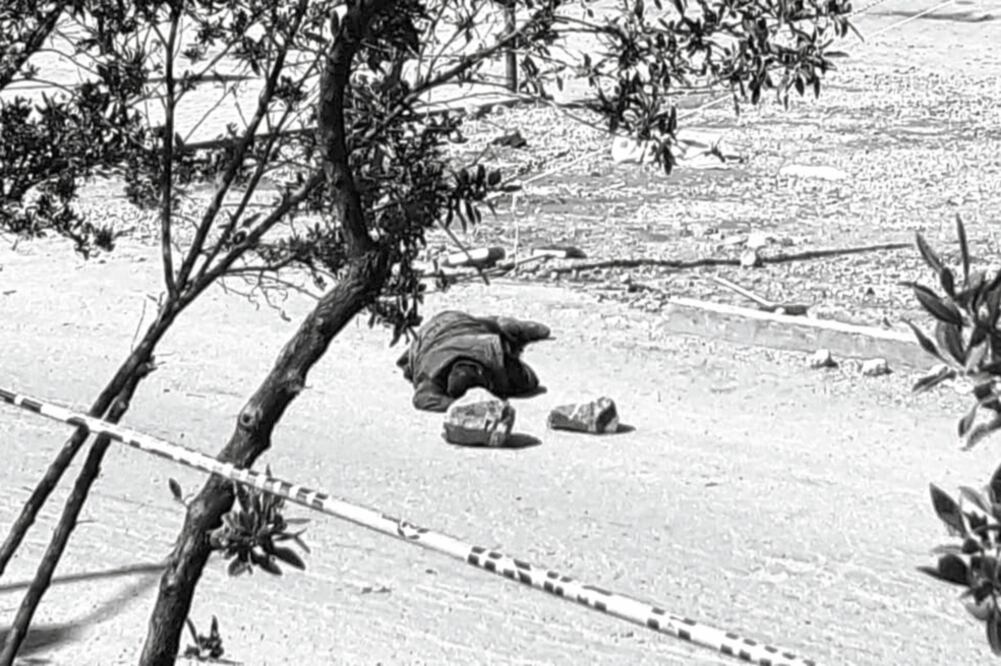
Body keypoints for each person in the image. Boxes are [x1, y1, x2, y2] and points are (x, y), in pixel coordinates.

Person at [397, 310, 551, 412]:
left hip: (459, 323)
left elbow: (531, 380)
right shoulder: (432, 372)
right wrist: (462, 405)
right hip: (430, 337)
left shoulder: (492, 354)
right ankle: (505, 325)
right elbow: (423, 399)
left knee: (499, 327)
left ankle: (514, 326)